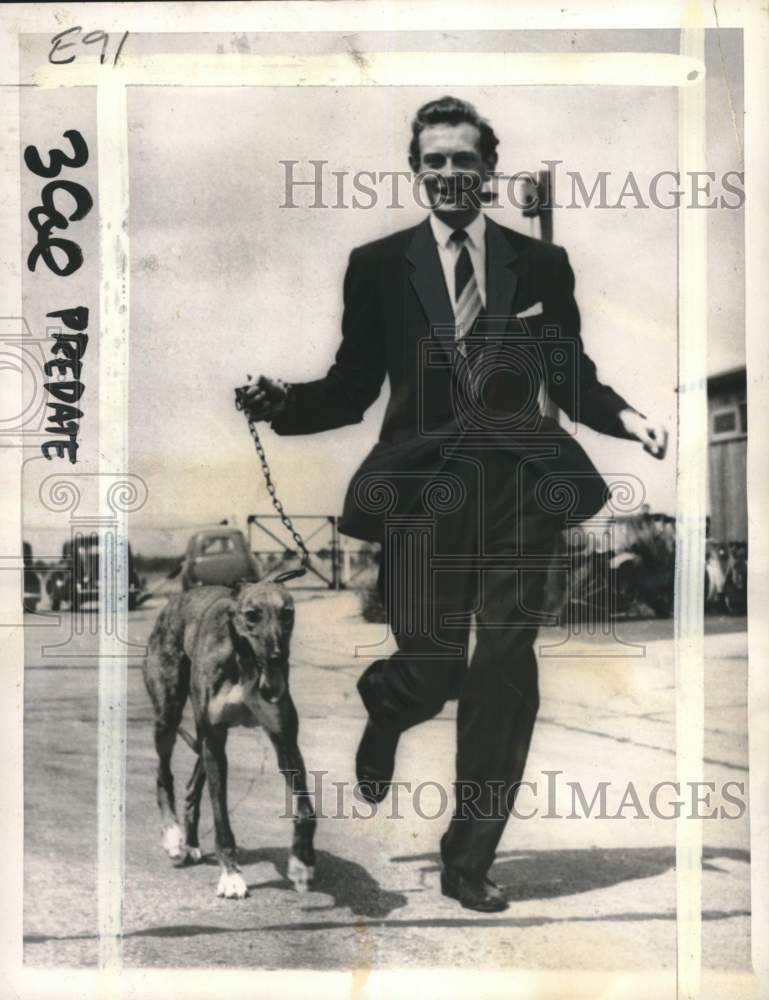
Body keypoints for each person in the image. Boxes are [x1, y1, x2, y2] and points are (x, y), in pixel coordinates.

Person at [241, 96, 668, 912]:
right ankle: (386, 705)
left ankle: (468, 857)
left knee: (505, 669)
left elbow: (567, 372)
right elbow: (353, 386)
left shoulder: (539, 266)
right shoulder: (378, 265)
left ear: (487, 170)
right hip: (423, 490)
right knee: (431, 669)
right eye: (433, 161)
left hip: (517, 488)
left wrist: (627, 417)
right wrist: (281, 403)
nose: (448, 174)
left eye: (463, 160)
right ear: (416, 171)